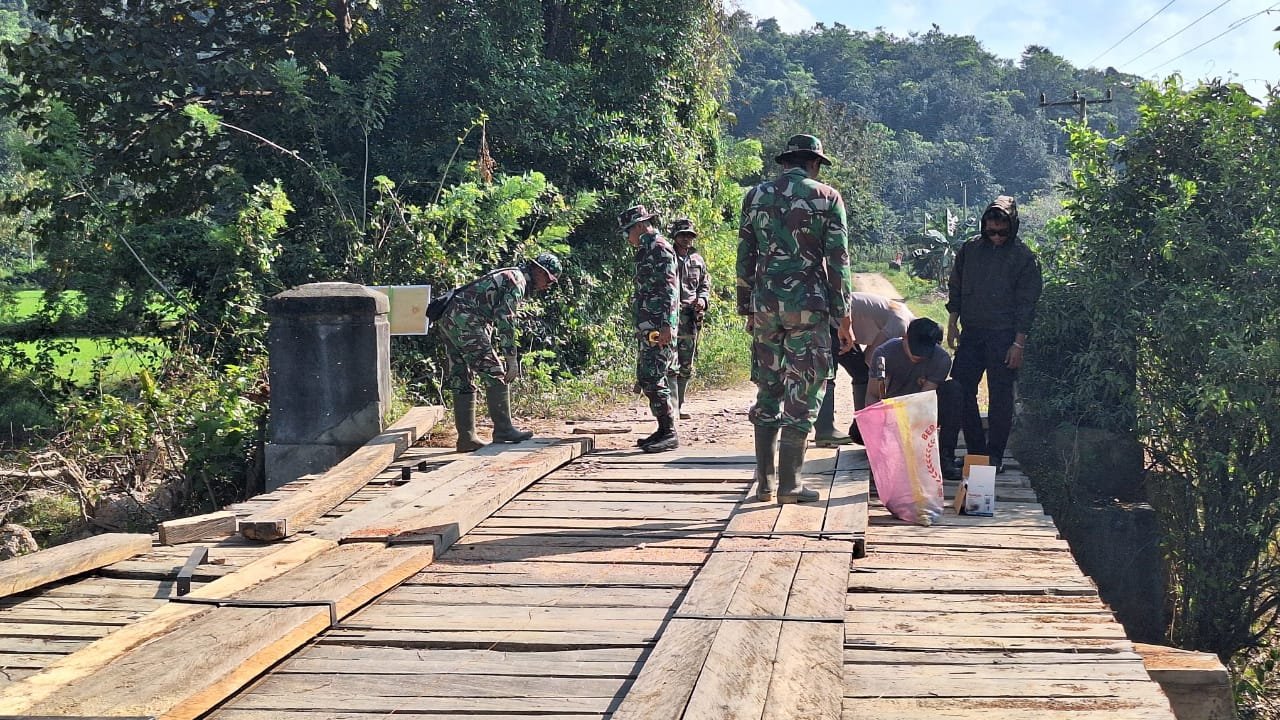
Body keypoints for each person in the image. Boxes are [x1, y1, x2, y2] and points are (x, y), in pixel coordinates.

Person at [738, 134, 854, 503]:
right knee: (803, 390)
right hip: (808, 308)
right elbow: (838, 262)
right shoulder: (827, 197)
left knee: (768, 388)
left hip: (765, 306)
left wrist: (747, 308)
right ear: (814, 163)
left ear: (786, 161)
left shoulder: (755, 196)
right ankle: (790, 485)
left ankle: (764, 484)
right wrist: (844, 318)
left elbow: (745, 255)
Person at [946, 196, 1043, 472]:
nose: (997, 237)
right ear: (984, 227)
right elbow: (956, 286)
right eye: (991, 232)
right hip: (972, 334)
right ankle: (977, 452)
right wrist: (952, 323)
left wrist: (1018, 344)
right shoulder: (970, 250)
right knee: (960, 390)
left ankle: (995, 455)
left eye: (1002, 232)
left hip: (1004, 337)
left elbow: (1027, 305)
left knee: (1000, 398)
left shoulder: (1024, 258)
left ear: (1012, 228)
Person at [436, 252, 563, 452]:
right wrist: (511, 359)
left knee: (462, 375)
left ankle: (466, 439)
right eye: (548, 279)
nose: (547, 285)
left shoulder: (511, 275)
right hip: (465, 319)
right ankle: (503, 430)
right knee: (494, 371)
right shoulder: (517, 281)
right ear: (538, 271)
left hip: (450, 317)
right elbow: (505, 318)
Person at [864, 318, 964, 481]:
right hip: (888, 414)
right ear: (905, 337)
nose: (918, 356)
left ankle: (945, 458)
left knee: (954, 390)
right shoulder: (883, 354)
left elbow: (922, 402)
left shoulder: (941, 360)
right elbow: (872, 396)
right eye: (914, 348)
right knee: (858, 433)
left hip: (918, 414)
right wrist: (879, 427)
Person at [814, 292, 914, 446]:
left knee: (861, 373)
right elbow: (871, 356)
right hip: (829, 320)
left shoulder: (906, 320)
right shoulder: (900, 324)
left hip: (840, 325)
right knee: (827, 374)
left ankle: (863, 428)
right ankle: (825, 430)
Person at [621, 204, 680, 453]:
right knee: (647, 376)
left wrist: (667, 325)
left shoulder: (659, 248)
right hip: (649, 325)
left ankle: (669, 432)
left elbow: (669, 289)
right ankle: (662, 429)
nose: (628, 238)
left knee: (653, 377)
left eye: (628, 232)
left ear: (639, 226)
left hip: (659, 326)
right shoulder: (646, 250)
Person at [670, 218, 710, 420]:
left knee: (686, 363)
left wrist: (702, 299)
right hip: (669, 317)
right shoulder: (667, 257)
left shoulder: (697, 260)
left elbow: (704, 285)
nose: (686, 239)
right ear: (675, 236)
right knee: (668, 362)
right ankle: (669, 407)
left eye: (690, 235)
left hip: (689, 317)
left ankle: (679, 404)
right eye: (682, 235)